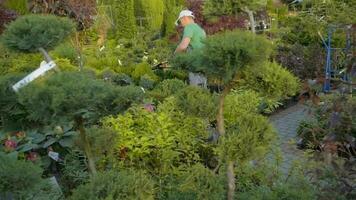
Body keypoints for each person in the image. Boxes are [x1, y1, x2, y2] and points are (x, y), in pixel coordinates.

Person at [174, 10, 207, 88]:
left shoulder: (189, 27)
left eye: (180, 21)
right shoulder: (200, 29)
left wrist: (175, 53)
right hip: (204, 63)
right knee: (203, 89)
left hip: (194, 63)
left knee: (195, 90)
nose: (181, 24)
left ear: (184, 18)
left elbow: (183, 46)